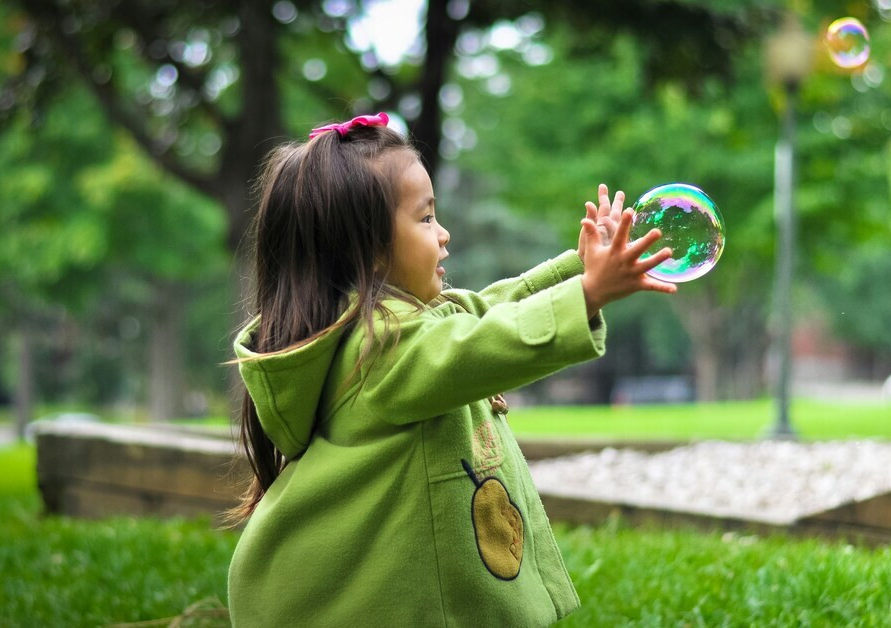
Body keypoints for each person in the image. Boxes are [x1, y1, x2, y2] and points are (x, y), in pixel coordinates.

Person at [225, 112, 676, 627]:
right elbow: (479, 343)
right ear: (369, 252)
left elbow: (483, 310)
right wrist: (589, 293)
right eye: (424, 218)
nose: (444, 235)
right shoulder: (380, 350)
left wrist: (579, 267)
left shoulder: (396, 329)